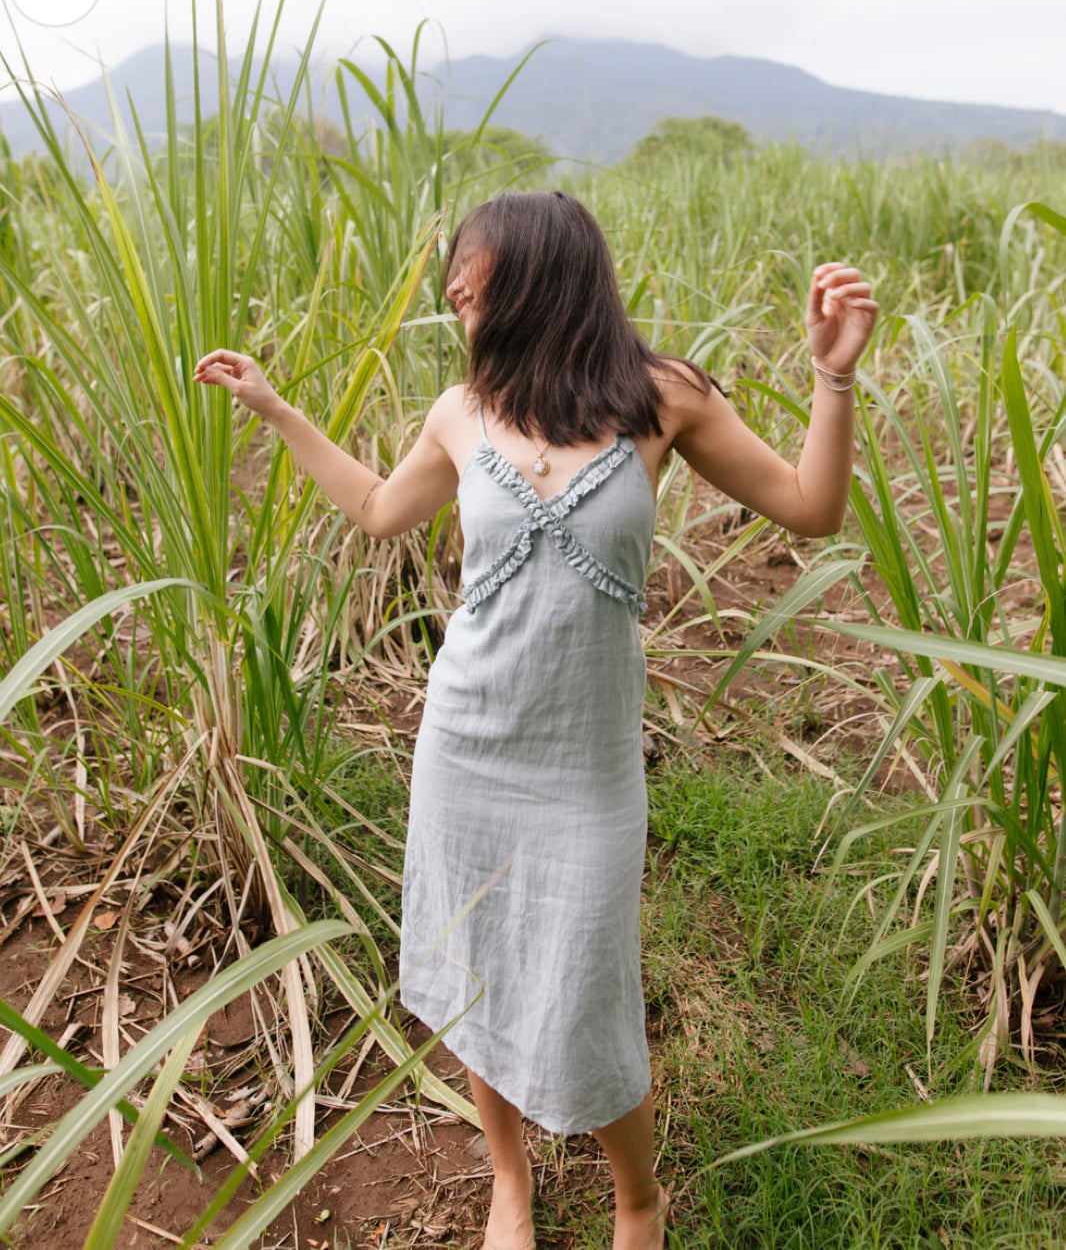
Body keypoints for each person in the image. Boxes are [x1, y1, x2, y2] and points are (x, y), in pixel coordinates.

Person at [194, 189, 878, 1250]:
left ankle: (635, 1193)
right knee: (479, 965)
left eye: (474, 278)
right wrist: (278, 410)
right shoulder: (459, 410)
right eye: (455, 286)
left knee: (588, 984)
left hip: (585, 767)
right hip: (466, 743)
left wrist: (832, 375)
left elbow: (812, 507)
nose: (458, 297)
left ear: (542, 272)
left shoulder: (663, 398)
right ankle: (506, 1178)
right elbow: (381, 509)